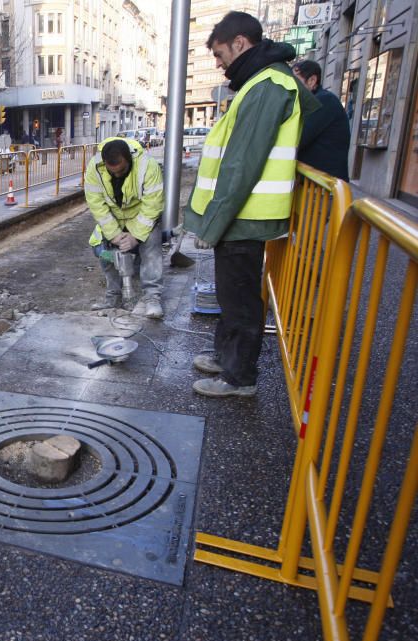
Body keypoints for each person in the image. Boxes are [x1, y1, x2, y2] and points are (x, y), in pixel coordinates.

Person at [184, 11, 320, 398]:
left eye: (220, 52)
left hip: (245, 215)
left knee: (240, 296)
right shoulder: (262, 81)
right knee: (231, 292)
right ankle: (225, 356)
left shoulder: (267, 85)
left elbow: (241, 163)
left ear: (240, 43)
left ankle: (239, 377)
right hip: (241, 215)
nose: (218, 62)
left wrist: (212, 225)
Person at [85, 137, 165, 319]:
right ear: (105, 164)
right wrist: (114, 235)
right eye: (113, 172)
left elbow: (153, 204)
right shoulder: (95, 168)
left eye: (121, 170)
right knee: (104, 251)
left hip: (140, 217)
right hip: (114, 219)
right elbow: (96, 203)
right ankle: (113, 297)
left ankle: (152, 297)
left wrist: (135, 236)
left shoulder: (148, 166)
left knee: (151, 247)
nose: (117, 175)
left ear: (129, 160)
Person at [292, 59, 350, 181]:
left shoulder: (323, 101)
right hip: (316, 184)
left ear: (312, 80)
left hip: (323, 187)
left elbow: (298, 137)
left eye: (296, 81)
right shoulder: (314, 101)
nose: (292, 86)